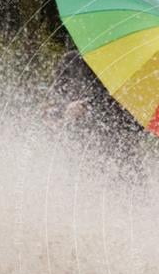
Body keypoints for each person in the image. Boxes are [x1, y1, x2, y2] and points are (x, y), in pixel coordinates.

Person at [52, 49, 143, 180]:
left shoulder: (129, 64)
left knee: (132, 183)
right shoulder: (72, 59)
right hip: (81, 137)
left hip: (118, 139)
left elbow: (134, 106)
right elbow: (57, 94)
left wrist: (87, 104)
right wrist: (67, 106)